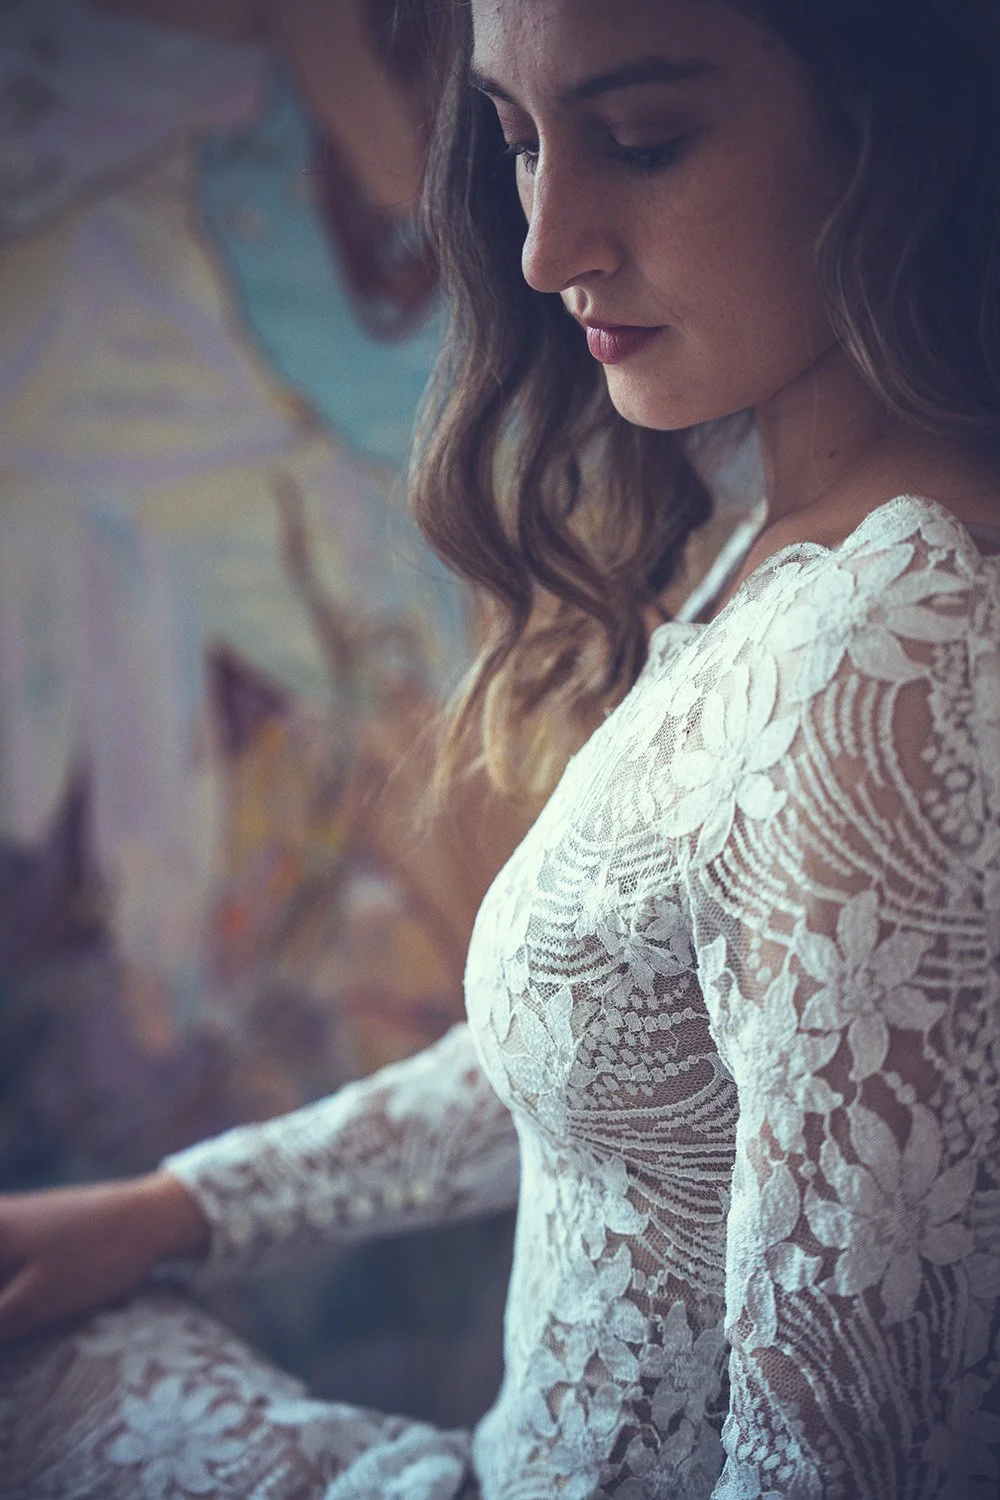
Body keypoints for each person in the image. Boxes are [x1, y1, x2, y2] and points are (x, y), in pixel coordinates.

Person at [2, 0, 1000, 1495]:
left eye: (643, 139)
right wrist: (176, 1207)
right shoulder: (780, 558)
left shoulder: (902, 635)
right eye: (522, 142)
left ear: (900, 130)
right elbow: (618, 1051)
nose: (546, 248)